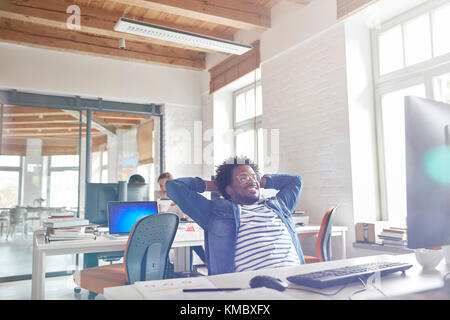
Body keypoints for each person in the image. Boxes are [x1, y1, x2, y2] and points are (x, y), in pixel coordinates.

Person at [166, 156, 305, 275]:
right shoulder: (216, 212)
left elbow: (296, 181)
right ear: (228, 189)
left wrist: (260, 182)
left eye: (254, 177)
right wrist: (214, 185)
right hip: (252, 287)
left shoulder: (279, 206)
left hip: (296, 280)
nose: (252, 181)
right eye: (243, 178)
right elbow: (174, 187)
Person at [156, 172, 207, 271]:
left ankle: (190, 269)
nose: (163, 188)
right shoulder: (160, 199)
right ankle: (199, 265)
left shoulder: (180, 196)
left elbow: (186, 215)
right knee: (191, 244)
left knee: (190, 243)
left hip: (182, 228)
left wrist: (177, 204)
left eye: (165, 185)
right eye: (161, 186)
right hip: (166, 230)